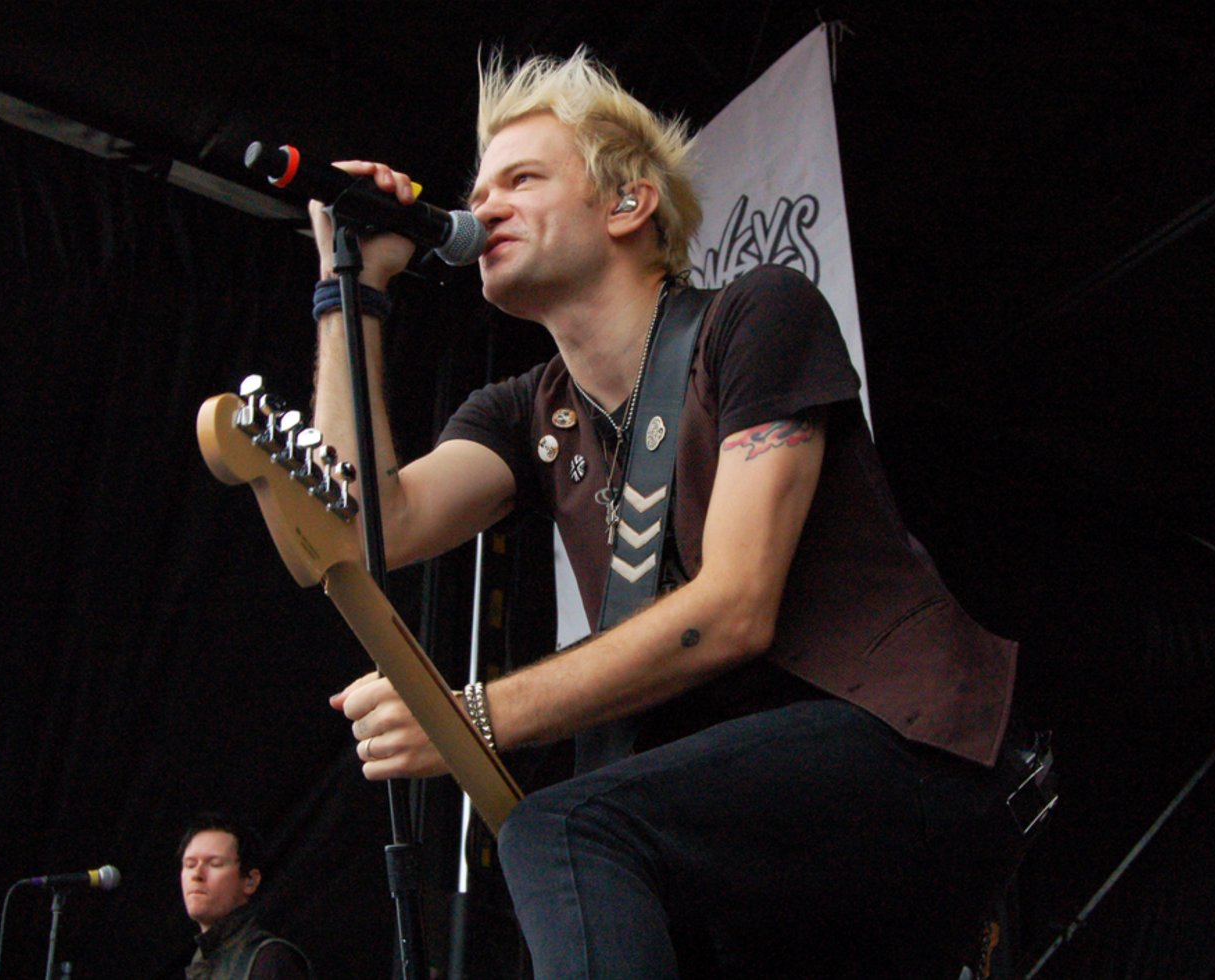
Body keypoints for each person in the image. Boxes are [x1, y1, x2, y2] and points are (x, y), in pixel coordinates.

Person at [316, 50, 1049, 979]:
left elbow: (735, 606)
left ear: (627, 206)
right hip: (740, 808)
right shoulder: (521, 413)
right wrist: (351, 288)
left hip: (902, 743)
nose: (483, 205)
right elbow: (365, 524)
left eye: (524, 178)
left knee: (564, 832)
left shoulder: (755, 318)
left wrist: (470, 717)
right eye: (479, 187)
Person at [178, 814, 311, 980]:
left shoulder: (269, 960)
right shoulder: (204, 959)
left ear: (250, 881)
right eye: (190, 865)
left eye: (215, 864)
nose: (197, 874)